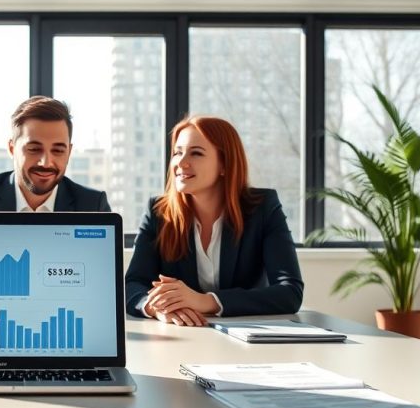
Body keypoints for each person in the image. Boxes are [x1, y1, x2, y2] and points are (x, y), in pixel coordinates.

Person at [125, 116, 304, 326]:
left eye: (196, 153)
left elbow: (290, 292)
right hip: (183, 334)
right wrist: (155, 307)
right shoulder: (158, 212)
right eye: (177, 152)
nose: (181, 163)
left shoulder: (263, 208)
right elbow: (132, 285)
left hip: (248, 334)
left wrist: (205, 301)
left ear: (224, 164)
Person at [0, 96, 111, 213]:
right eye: (34, 149)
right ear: (12, 149)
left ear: (69, 152)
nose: (46, 162)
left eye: (58, 150)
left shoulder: (93, 206)